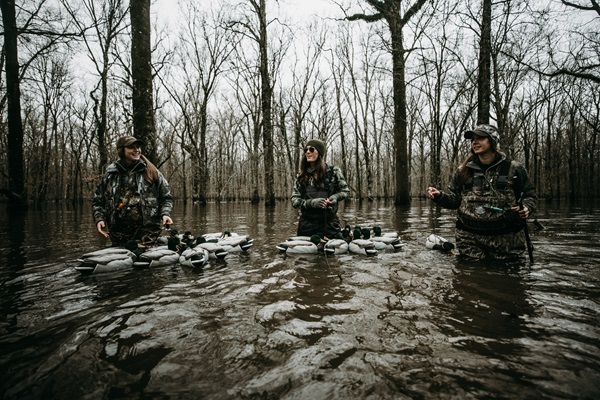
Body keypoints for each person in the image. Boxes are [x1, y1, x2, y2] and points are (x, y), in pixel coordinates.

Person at [426, 124, 537, 260]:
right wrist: (439, 197)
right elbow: (456, 200)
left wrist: (527, 208)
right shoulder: (463, 170)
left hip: (506, 242)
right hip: (469, 241)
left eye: (480, 138)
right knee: (469, 276)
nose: (475, 142)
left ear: (492, 141)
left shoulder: (514, 169)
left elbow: (530, 195)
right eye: (473, 139)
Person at [93, 136, 174, 247]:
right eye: (131, 147)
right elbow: (98, 201)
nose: (137, 150)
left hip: (147, 232)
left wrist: (165, 214)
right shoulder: (110, 175)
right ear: (121, 150)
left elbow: (166, 197)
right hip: (118, 233)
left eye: (138, 147)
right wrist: (99, 219)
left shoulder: (151, 171)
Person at [291, 139, 350, 239]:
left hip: (329, 223)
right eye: (306, 150)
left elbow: (345, 191)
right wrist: (311, 203)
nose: (308, 152)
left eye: (311, 149)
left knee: (331, 253)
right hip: (307, 225)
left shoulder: (334, 172)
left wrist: (335, 197)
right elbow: (294, 201)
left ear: (319, 153)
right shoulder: (301, 176)